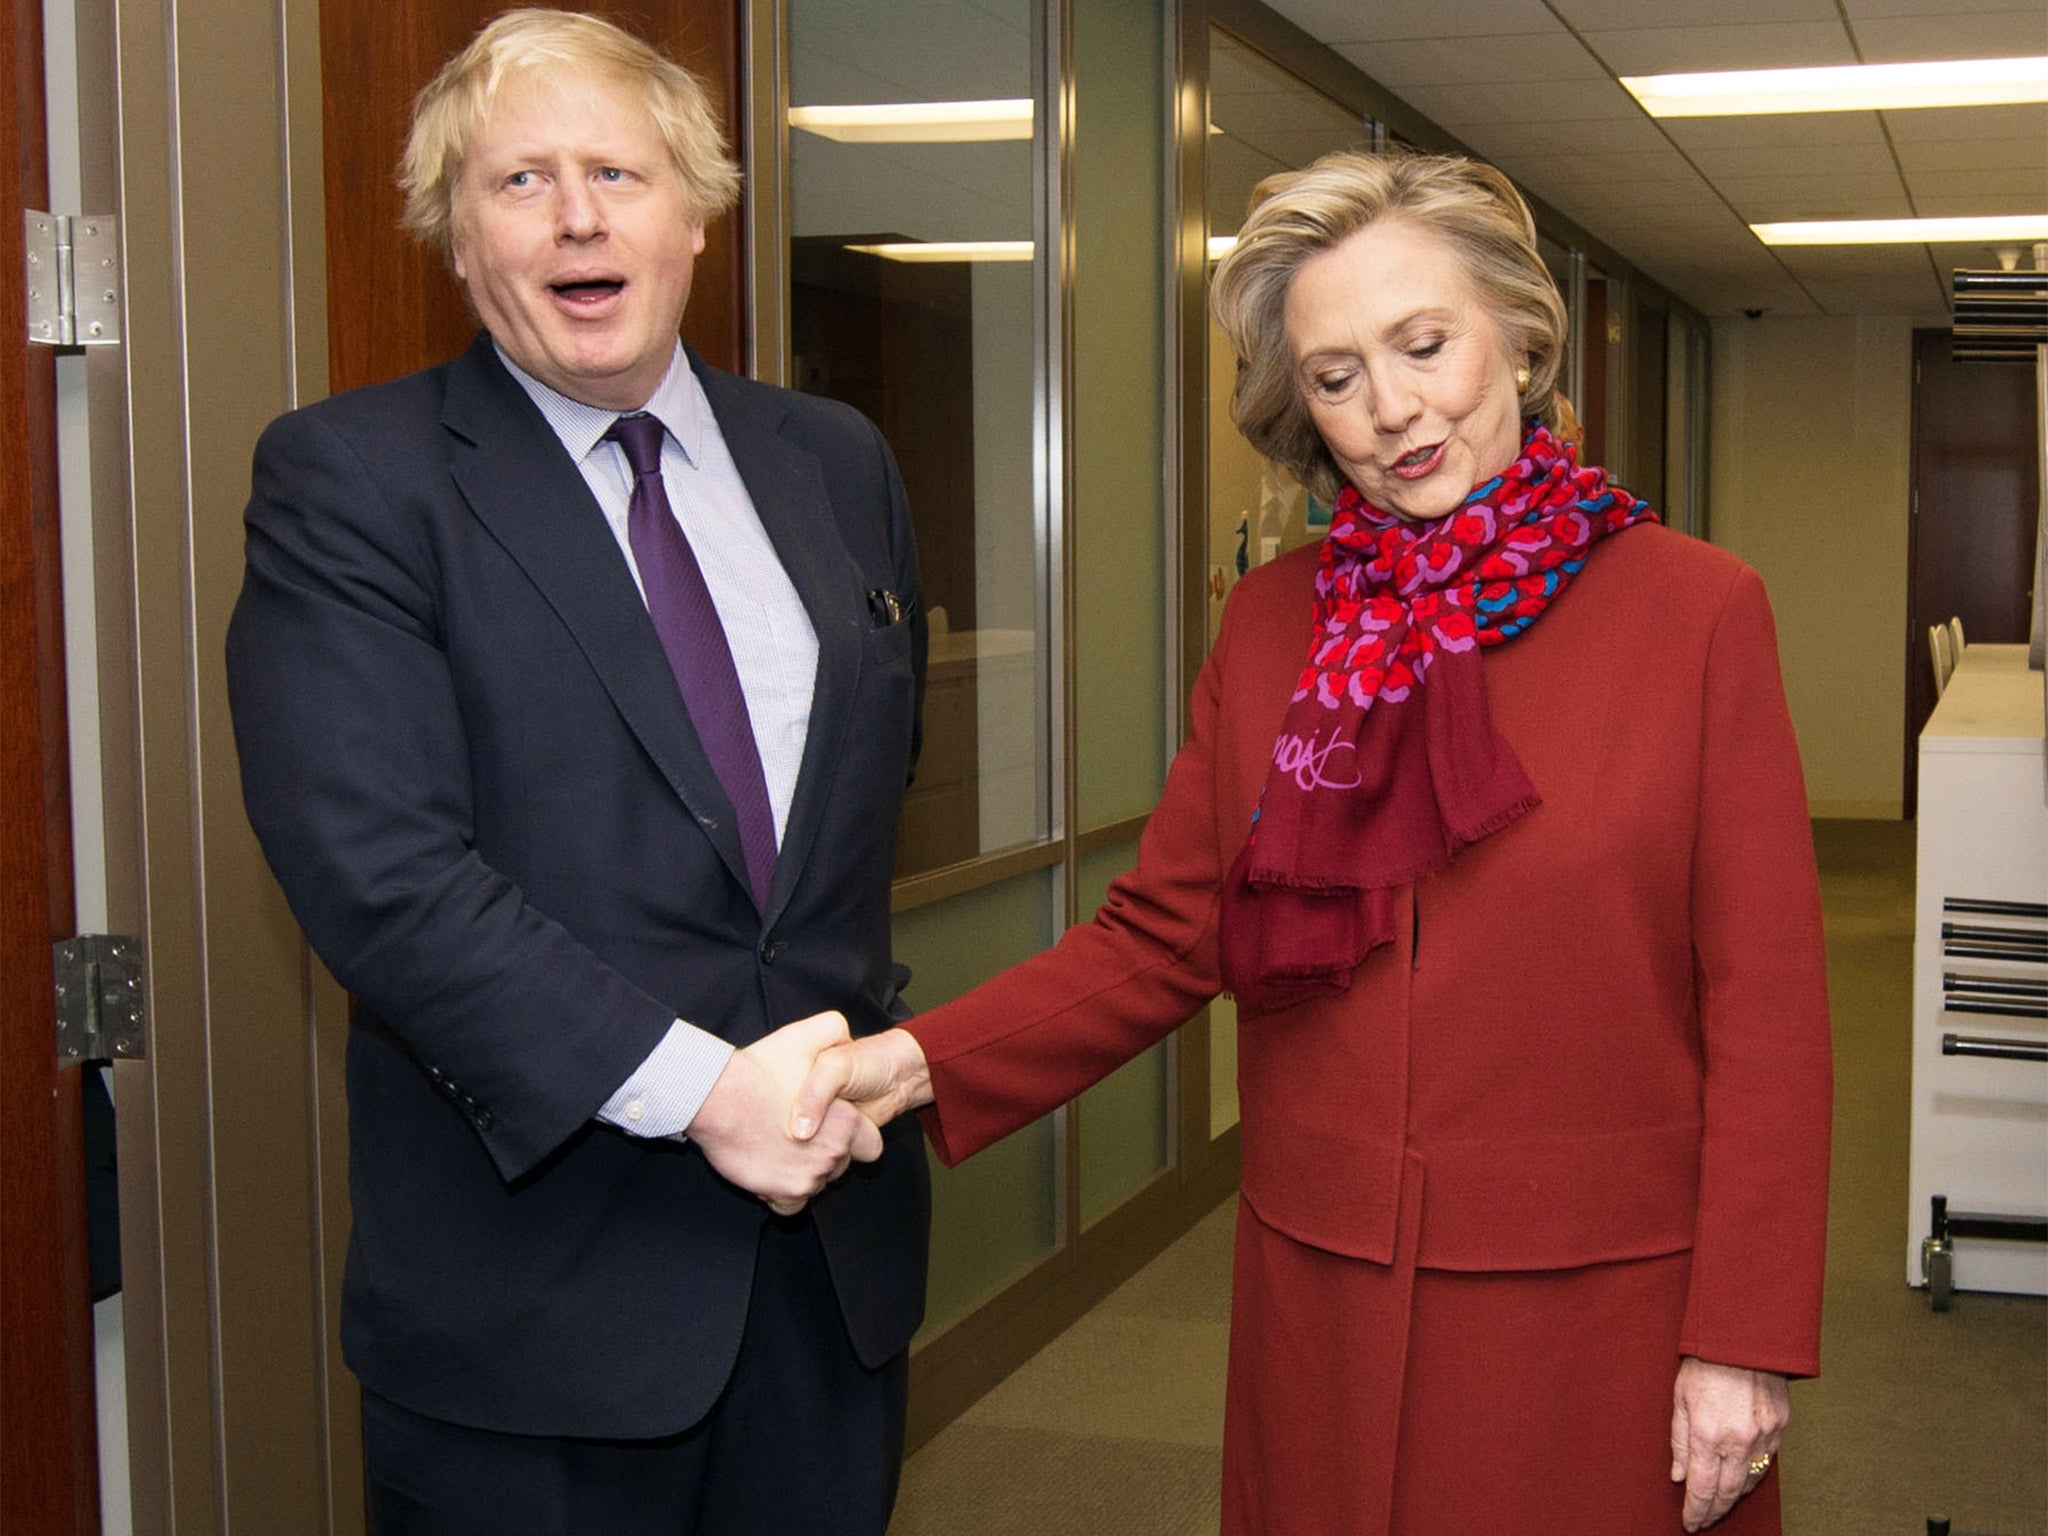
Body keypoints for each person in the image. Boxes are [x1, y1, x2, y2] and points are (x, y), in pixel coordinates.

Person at [795, 150, 1833, 1535]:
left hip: (1601, 1306)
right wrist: (910, 1065)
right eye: (1337, 377)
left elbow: (1767, 1009)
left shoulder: (1697, 613)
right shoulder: (1276, 626)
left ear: (1519, 336)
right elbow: (1166, 936)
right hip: (1324, 1293)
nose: (1392, 409)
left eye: (1426, 345)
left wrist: (1742, 1336)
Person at [225, 11, 928, 1532]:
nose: (578, 217)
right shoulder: (354, 482)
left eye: (618, 170)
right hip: (532, 1319)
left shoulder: (836, 461)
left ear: (695, 210)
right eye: (519, 182)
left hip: (829, 1287)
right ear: (457, 239)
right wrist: (703, 1096)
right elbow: (382, 877)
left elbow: (856, 818)